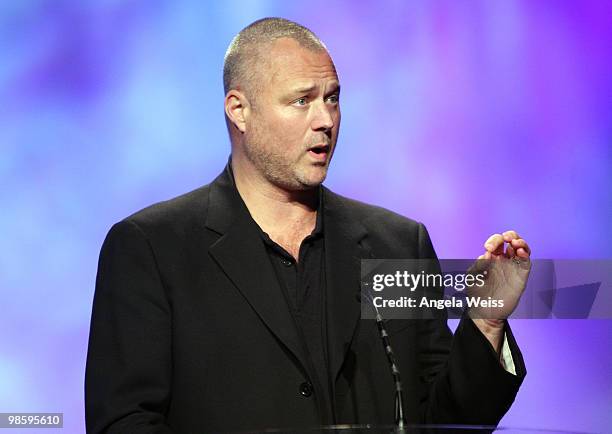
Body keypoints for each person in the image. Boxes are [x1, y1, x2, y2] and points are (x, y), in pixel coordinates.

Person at [85, 17, 531, 434]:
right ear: (239, 110)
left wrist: (485, 324)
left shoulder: (397, 244)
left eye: (332, 98)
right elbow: (124, 422)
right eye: (302, 100)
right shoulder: (152, 249)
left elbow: (445, 422)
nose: (325, 121)